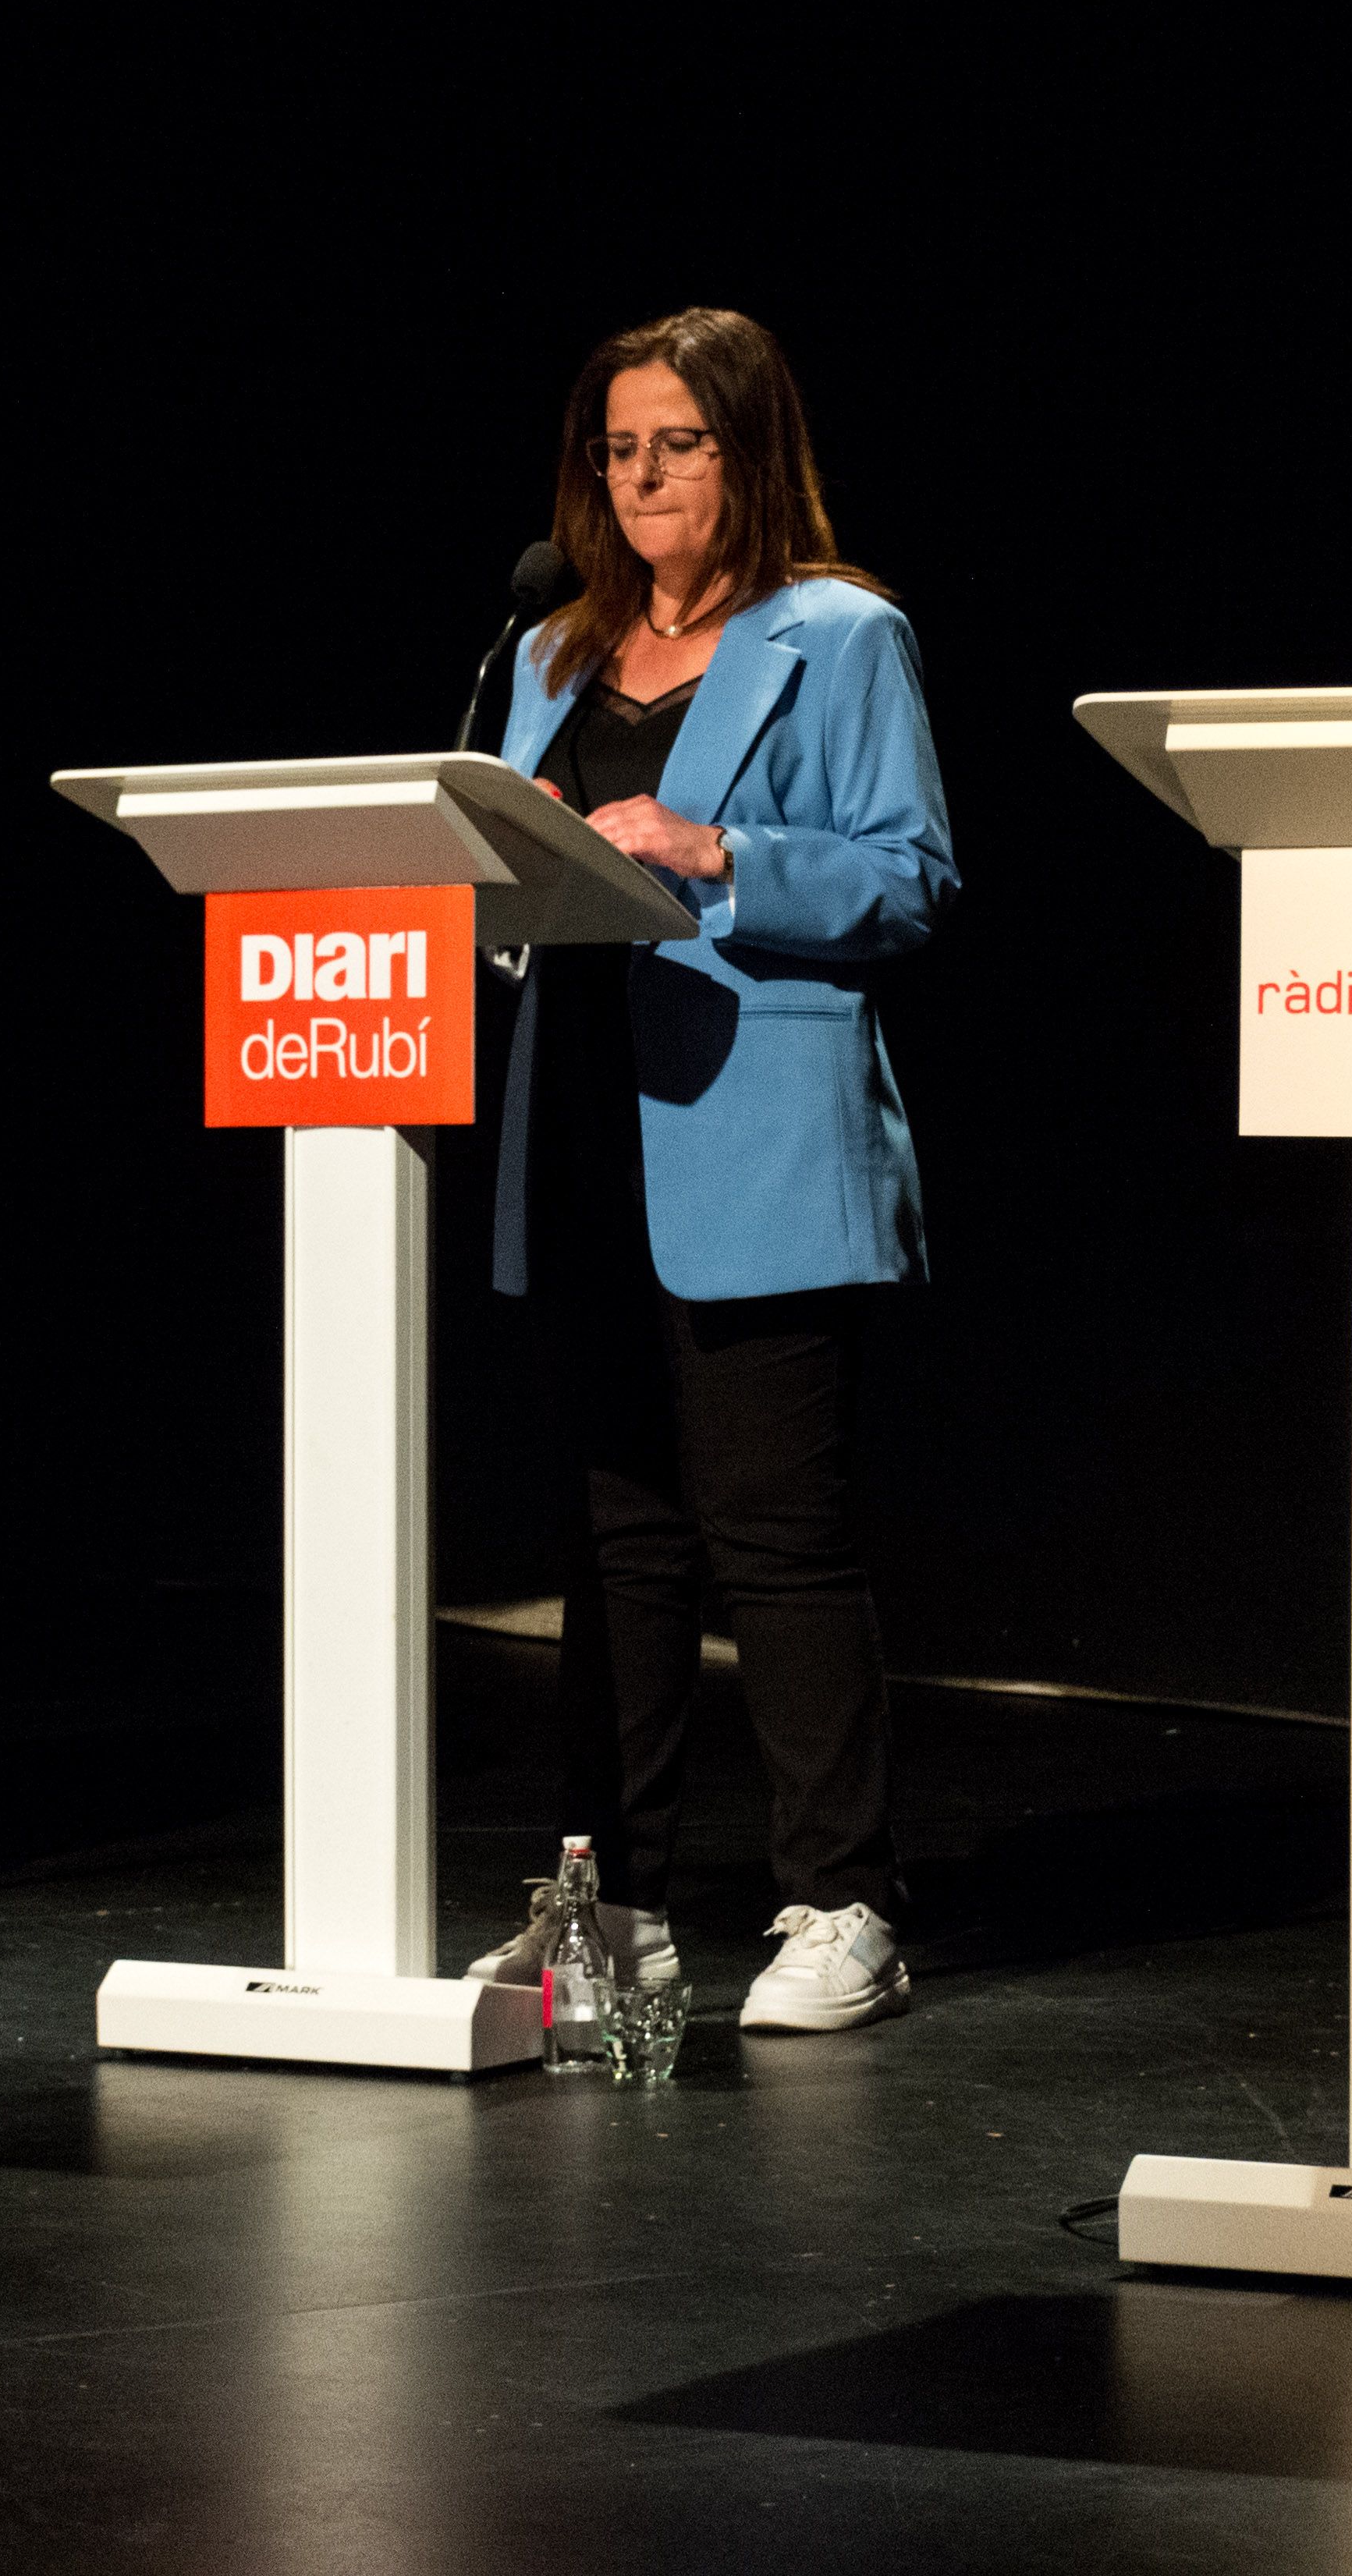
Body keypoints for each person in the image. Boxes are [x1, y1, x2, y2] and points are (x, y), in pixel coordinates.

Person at [463, 307, 958, 2034]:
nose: (644, 474)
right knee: (615, 1539)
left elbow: (912, 879)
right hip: (579, 1109)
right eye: (618, 446)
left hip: (754, 1118)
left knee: (777, 1536)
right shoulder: (545, 650)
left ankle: (845, 1899)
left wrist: (724, 848)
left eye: (678, 441)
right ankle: (617, 1900)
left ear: (748, 452)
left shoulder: (840, 633)